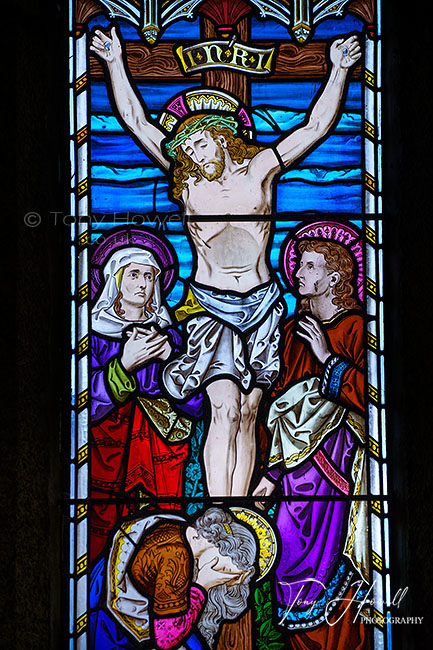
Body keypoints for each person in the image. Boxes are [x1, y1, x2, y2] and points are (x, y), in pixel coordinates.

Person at [90, 28, 361, 497]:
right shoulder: (188, 183)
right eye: (186, 151)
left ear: (222, 138)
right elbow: (135, 121)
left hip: (263, 302)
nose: (192, 156)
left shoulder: (261, 168)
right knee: (224, 407)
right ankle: (218, 509)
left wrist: (338, 69)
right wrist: (115, 62)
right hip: (210, 304)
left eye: (199, 145)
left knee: (253, 410)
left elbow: (315, 128)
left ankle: (237, 511)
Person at [253, 238, 370, 649]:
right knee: (285, 555)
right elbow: (277, 408)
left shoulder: (358, 329)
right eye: (298, 265)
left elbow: (372, 398)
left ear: (333, 278)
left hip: (338, 481)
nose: (297, 274)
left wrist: (327, 358)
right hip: (292, 478)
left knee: (337, 570)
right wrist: (269, 473)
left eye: (308, 266)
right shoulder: (291, 333)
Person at [91, 246, 202, 561]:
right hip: (110, 455)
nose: (142, 283)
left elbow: (198, 407)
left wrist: (172, 362)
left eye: (150, 276)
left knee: (164, 540)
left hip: (165, 456)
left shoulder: (174, 339)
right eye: (134, 274)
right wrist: (124, 365)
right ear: (116, 279)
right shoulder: (95, 336)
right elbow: (86, 407)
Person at [90, 507, 258, 650]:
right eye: (223, 569)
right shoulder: (176, 557)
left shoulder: (177, 528)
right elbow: (165, 638)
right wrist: (203, 584)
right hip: (115, 628)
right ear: (216, 544)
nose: (222, 578)